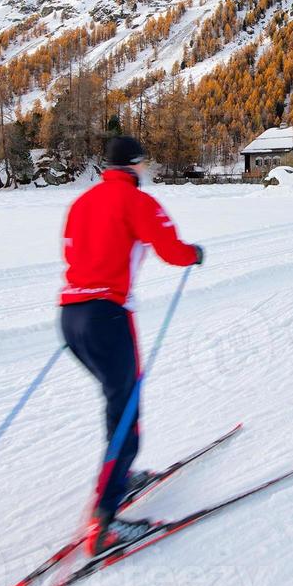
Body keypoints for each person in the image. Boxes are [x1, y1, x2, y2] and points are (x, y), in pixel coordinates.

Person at [60, 135, 203, 554]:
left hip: (71, 317)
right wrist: (194, 254)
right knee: (127, 417)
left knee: (117, 400)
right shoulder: (137, 202)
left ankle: (119, 477)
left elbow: (78, 255)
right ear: (136, 165)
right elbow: (171, 250)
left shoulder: (82, 202)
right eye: (144, 165)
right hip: (108, 316)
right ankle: (104, 523)